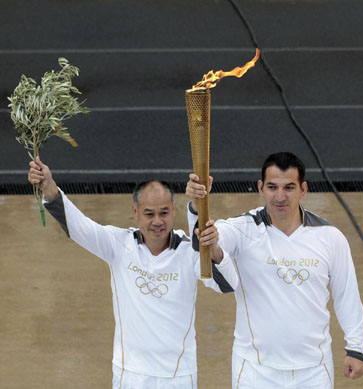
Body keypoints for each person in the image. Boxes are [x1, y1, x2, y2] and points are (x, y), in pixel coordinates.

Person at [28, 157, 238, 389]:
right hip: (131, 376)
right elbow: (78, 227)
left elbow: (226, 284)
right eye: (149, 214)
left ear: (173, 211)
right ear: (135, 212)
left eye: (164, 213)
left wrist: (215, 249)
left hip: (178, 378)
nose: (157, 221)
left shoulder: (189, 251)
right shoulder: (118, 244)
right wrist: (48, 186)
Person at [186, 152, 363, 388]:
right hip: (255, 370)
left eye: (289, 187)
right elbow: (209, 240)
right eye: (272, 187)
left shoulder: (330, 237)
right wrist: (196, 207)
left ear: (303, 189)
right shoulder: (242, 229)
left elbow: (347, 294)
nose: (280, 197)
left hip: (314, 370)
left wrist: (357, 347)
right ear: (261, 188)